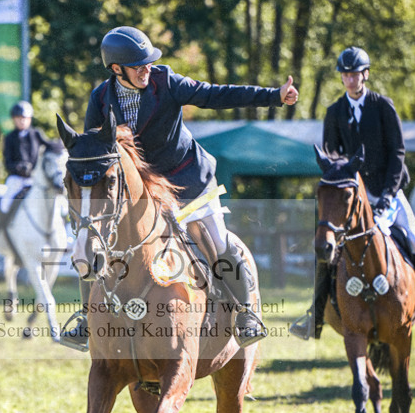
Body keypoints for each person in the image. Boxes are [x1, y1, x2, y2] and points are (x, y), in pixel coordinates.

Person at [60, 24, 299, 351]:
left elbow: (215, 95)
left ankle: (245, 314)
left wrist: (273, 95)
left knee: (218, 240)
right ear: (116, 69)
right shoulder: (101, 97)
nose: (146, 69)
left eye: (148, 62)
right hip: (142, 192)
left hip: (187, 180)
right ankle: (88, 319)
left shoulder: (166, 81)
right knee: (94, 243)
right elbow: (96, 149)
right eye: (138, 65)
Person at [289, 45, 415, 339]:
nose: (350, 80)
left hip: (387, 192)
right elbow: (332, 160)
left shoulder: (383, 107)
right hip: (351, 200)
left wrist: (388, 197)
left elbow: (398, 154)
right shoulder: (335, 112)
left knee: (414, 240)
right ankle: (313, 317)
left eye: (355, 74)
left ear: (365, 75)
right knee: (328, 251)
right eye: (345, 75)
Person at [0, 100, 55, 250]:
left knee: (53, 198)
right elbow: (7, 162)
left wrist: (62, 145)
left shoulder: (36, 134)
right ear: (14, 120)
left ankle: (57, 237)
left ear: (29, 119)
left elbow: (50, 145)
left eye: (25, 118)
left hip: (34, 178)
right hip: (17, 179)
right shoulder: (9, 138)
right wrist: (18, 167)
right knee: (5, 203)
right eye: (19, 118)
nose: (22, 121)